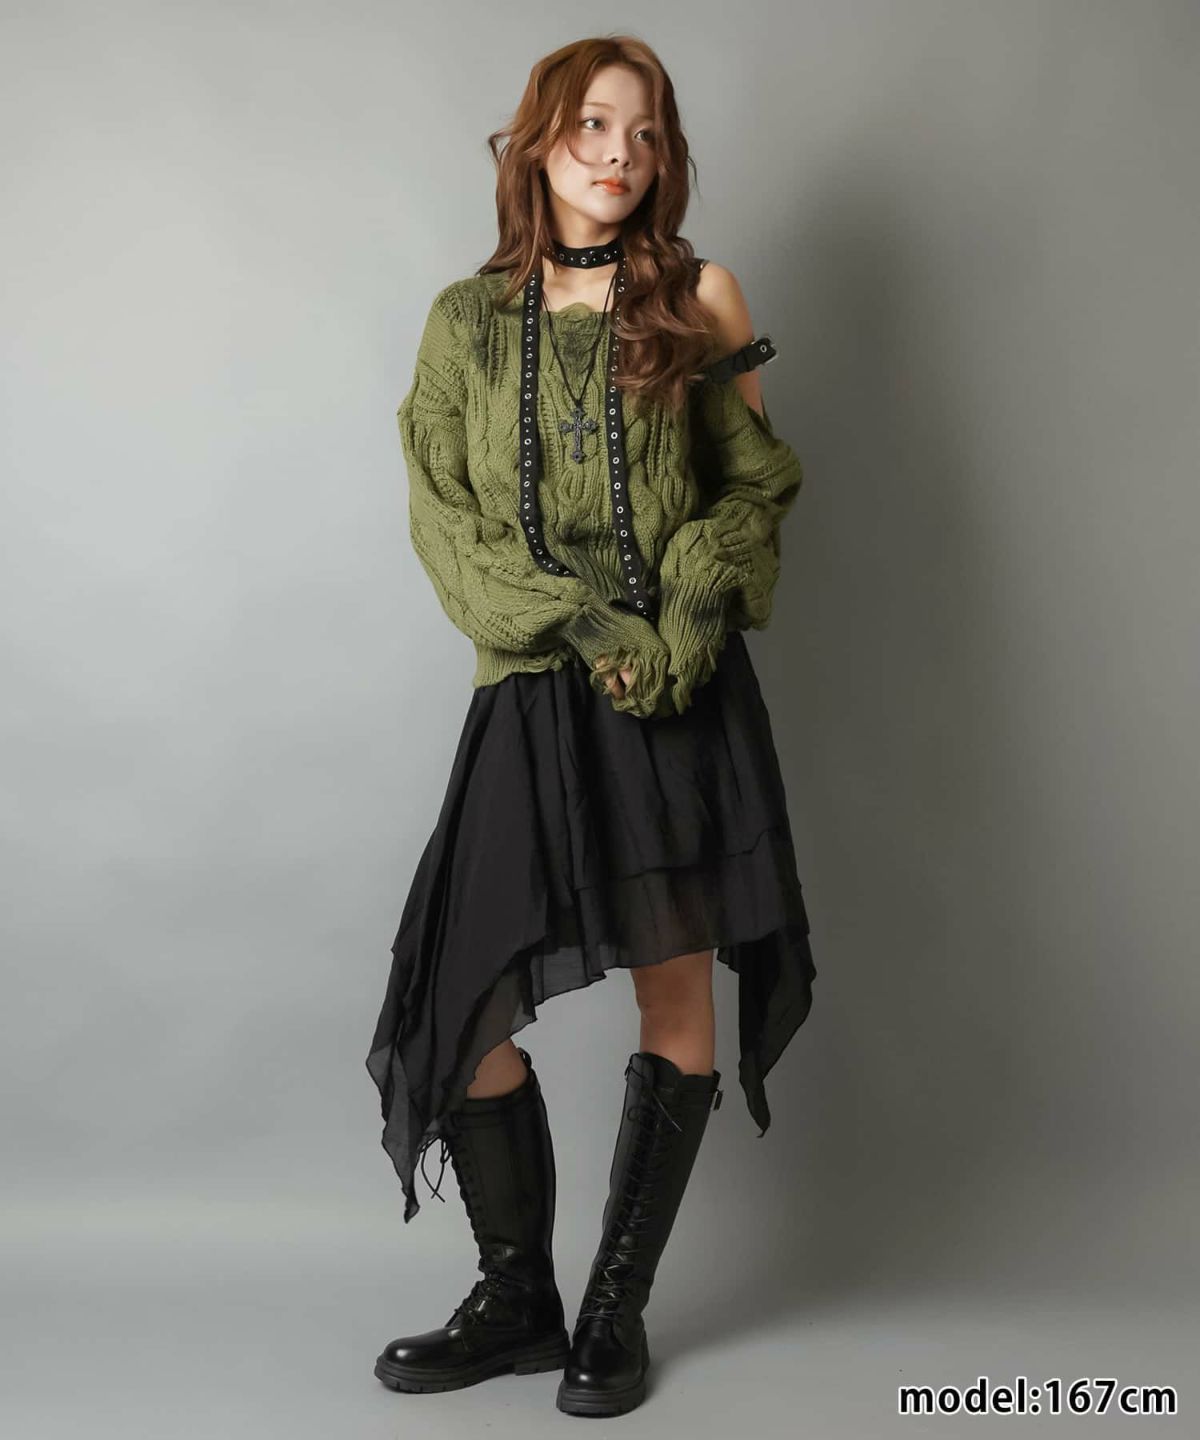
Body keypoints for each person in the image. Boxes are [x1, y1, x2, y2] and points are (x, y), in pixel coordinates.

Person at [365, 34, 817, 1418]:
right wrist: (581, 624)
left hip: (678, 693)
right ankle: (519, 1299)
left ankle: (611, 1311)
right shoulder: (465, 322)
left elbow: (752, 491)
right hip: (536, 685)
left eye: (647, 131)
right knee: (457, 1002)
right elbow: (444, 521)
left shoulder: (699, 296)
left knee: (674, 991)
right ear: (537, 142)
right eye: (593, 125)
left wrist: (682, 612)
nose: (622, 153)